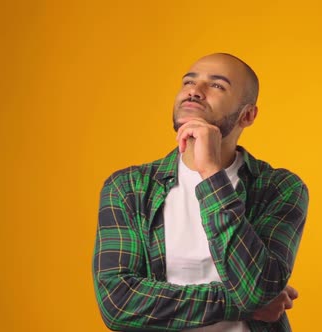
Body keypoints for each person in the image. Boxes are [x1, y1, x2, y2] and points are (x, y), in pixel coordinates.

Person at [92, 53, 309, 331]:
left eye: (217, 85)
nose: (195, 91)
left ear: (248, 115)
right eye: (188, 82)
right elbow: (118, 303)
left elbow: (257, 286)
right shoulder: (128, 188)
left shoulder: (280, 188)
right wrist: (240, 303)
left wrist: (212, 176)